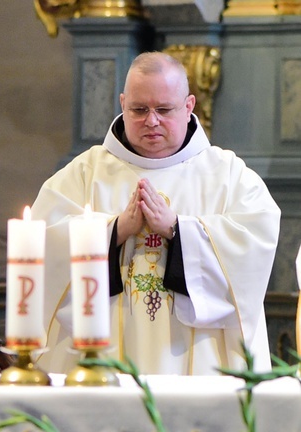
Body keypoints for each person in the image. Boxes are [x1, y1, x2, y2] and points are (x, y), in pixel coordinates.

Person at [31, 52, 280, 375]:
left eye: (164, 109)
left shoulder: (229, 176)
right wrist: (115, 230)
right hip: (103, 364)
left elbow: (254, 246)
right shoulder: (84, 174)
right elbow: (41, 247)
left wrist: (178, 230)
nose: (151, 120)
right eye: (139, 109)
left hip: (199, 365)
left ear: (189, 106)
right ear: (122, 103)